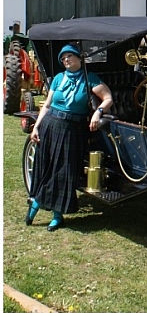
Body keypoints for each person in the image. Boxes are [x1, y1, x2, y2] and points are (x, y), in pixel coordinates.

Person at [25, 43, 113, 231]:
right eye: (63, 58)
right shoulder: (58, 78)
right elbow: (47, 106)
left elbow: (108, 98)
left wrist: (98, 112)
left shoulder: (90, 78)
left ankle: (56, 214)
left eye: (69, 56)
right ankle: (37, 202)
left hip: (73, 128)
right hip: (51, 124)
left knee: (64, 171)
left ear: (79, 58)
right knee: (46, 166)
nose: (66, 60)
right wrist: (36, 127)